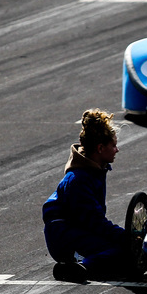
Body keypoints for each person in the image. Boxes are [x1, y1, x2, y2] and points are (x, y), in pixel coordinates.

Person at [42, 109, 129, 283]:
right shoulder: (79, 179)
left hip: (76, 229)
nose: (117, 149)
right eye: (113, 145)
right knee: (119, 252)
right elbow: (95, 222)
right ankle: (78, 267)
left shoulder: (95, 171)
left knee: (124, 252)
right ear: (100, 148)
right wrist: (126, 237)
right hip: (63, 236)